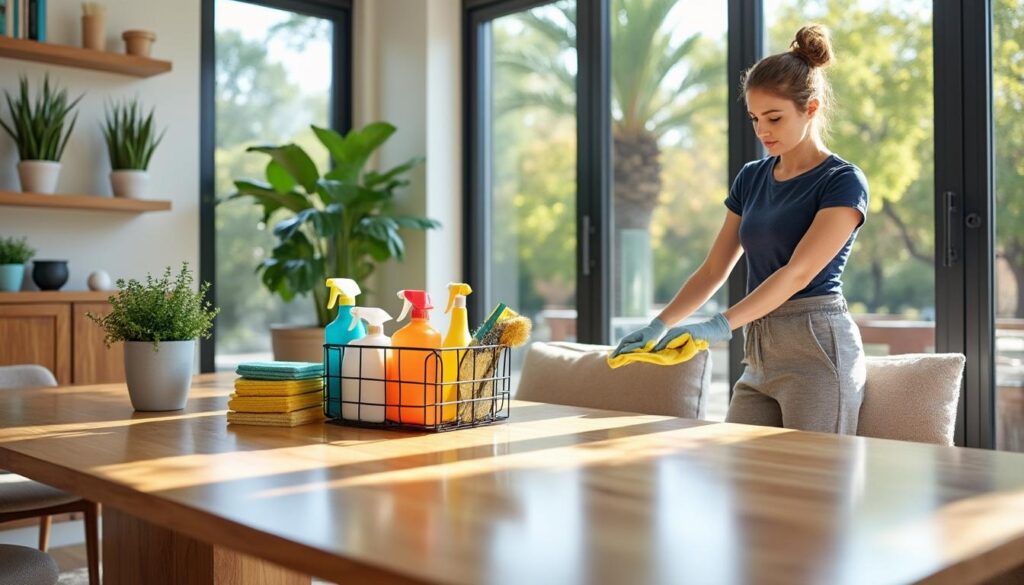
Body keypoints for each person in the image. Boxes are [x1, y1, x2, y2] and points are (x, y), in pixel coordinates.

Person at [612, 24, 869, 434]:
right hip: (759, 351)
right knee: (742, 484)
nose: (762, 131)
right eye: (754, 118)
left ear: (812, 109)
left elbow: (797, 273)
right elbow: (715, 268)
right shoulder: (751, 177)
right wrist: (659, 324)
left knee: (815, 491)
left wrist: (717, 326)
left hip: (817, 349)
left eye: (774, 117)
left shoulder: (842, 181)